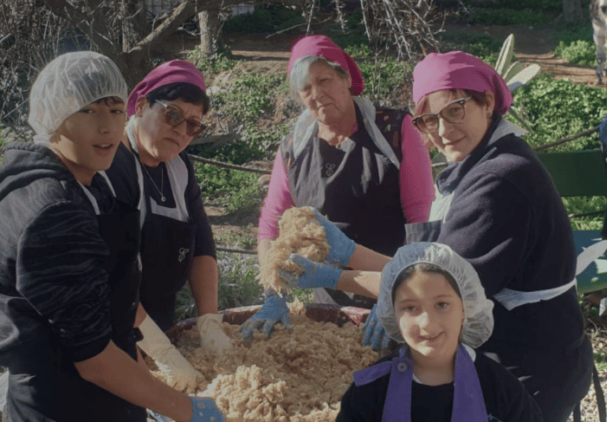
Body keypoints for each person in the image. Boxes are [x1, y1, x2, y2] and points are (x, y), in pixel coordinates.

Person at [281, 51, 593, 422]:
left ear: (487, 103)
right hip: (521, 349)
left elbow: (430, 290)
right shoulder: (479, 163)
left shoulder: (499, 180)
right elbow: (432, 269)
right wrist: (349, 251)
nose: (442, 131)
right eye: (429, 120)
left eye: (455, 110)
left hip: (527, 361)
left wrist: (336, 273)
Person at [0, 52, 223, 421]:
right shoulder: (53, 211)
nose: (107, 128)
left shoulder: (87, 182)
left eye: (115, 110)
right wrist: (186, 409)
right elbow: (93, 359)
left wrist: (157, 359)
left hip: (112, 387)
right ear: (52, 115)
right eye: (88, 111)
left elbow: (108, 293)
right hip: (66, 402)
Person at [240, 35, 434, 343]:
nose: (316, 94)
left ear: (345, 77)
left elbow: (421, 222)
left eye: (324, 80)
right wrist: (273, 292)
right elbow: (270, 225)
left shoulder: (395, 131)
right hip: (325, 300)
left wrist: (399, 298)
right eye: (305, 88)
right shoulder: (293, 149)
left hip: (395, 288)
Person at [104, 60, 232, 392]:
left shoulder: (179, 167)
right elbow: (113, 279)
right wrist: (161, 352)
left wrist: (209, 320)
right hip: (113, 331)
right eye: (171, 115)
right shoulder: (111, 166)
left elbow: (202, 241)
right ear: (142, 104)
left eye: (193, 125)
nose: (180, 130)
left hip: (158, 319)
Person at [336, 242, 542, 422]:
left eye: (442, 305)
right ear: (392, 314)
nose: (427, 323)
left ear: (464, 309)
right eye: (410, 308)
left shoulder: (501, 391)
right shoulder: (370, 391)